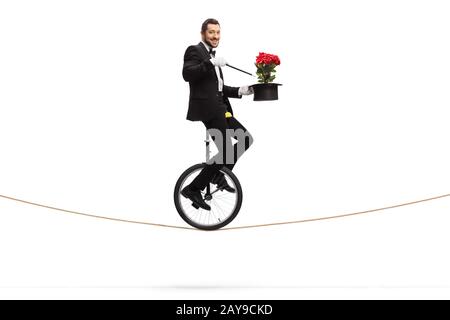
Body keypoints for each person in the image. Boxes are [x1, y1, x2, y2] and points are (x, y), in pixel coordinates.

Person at [181, 18, 254, 210]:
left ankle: (218, 174)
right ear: (203, 33)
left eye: (218, 32)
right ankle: (193, 188)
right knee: (227, 150)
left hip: (222, 108)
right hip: (208, 110)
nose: (215, 36)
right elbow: (187, 74)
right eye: (211, 32)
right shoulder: (194, 50)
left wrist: (241, 91)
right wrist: (210, 62)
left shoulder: (212, 55)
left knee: (245, 139)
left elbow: (218, 89)